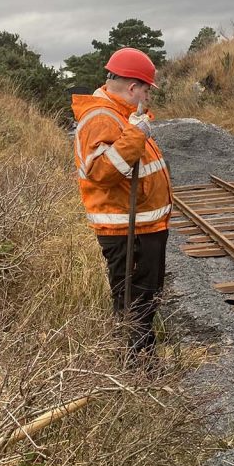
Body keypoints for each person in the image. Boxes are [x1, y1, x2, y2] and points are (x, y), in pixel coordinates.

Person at [72, 48, 172, 361]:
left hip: (144, 226)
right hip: (127, 231)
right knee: (135, 304)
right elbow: (101, 172)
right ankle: (139, 370)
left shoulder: (120, 115)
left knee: (145, 299)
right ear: (132, 87)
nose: (147, 96)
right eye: (145, 89)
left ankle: (142, 361)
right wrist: (134, 135)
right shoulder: (101, 118)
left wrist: (134, 129)